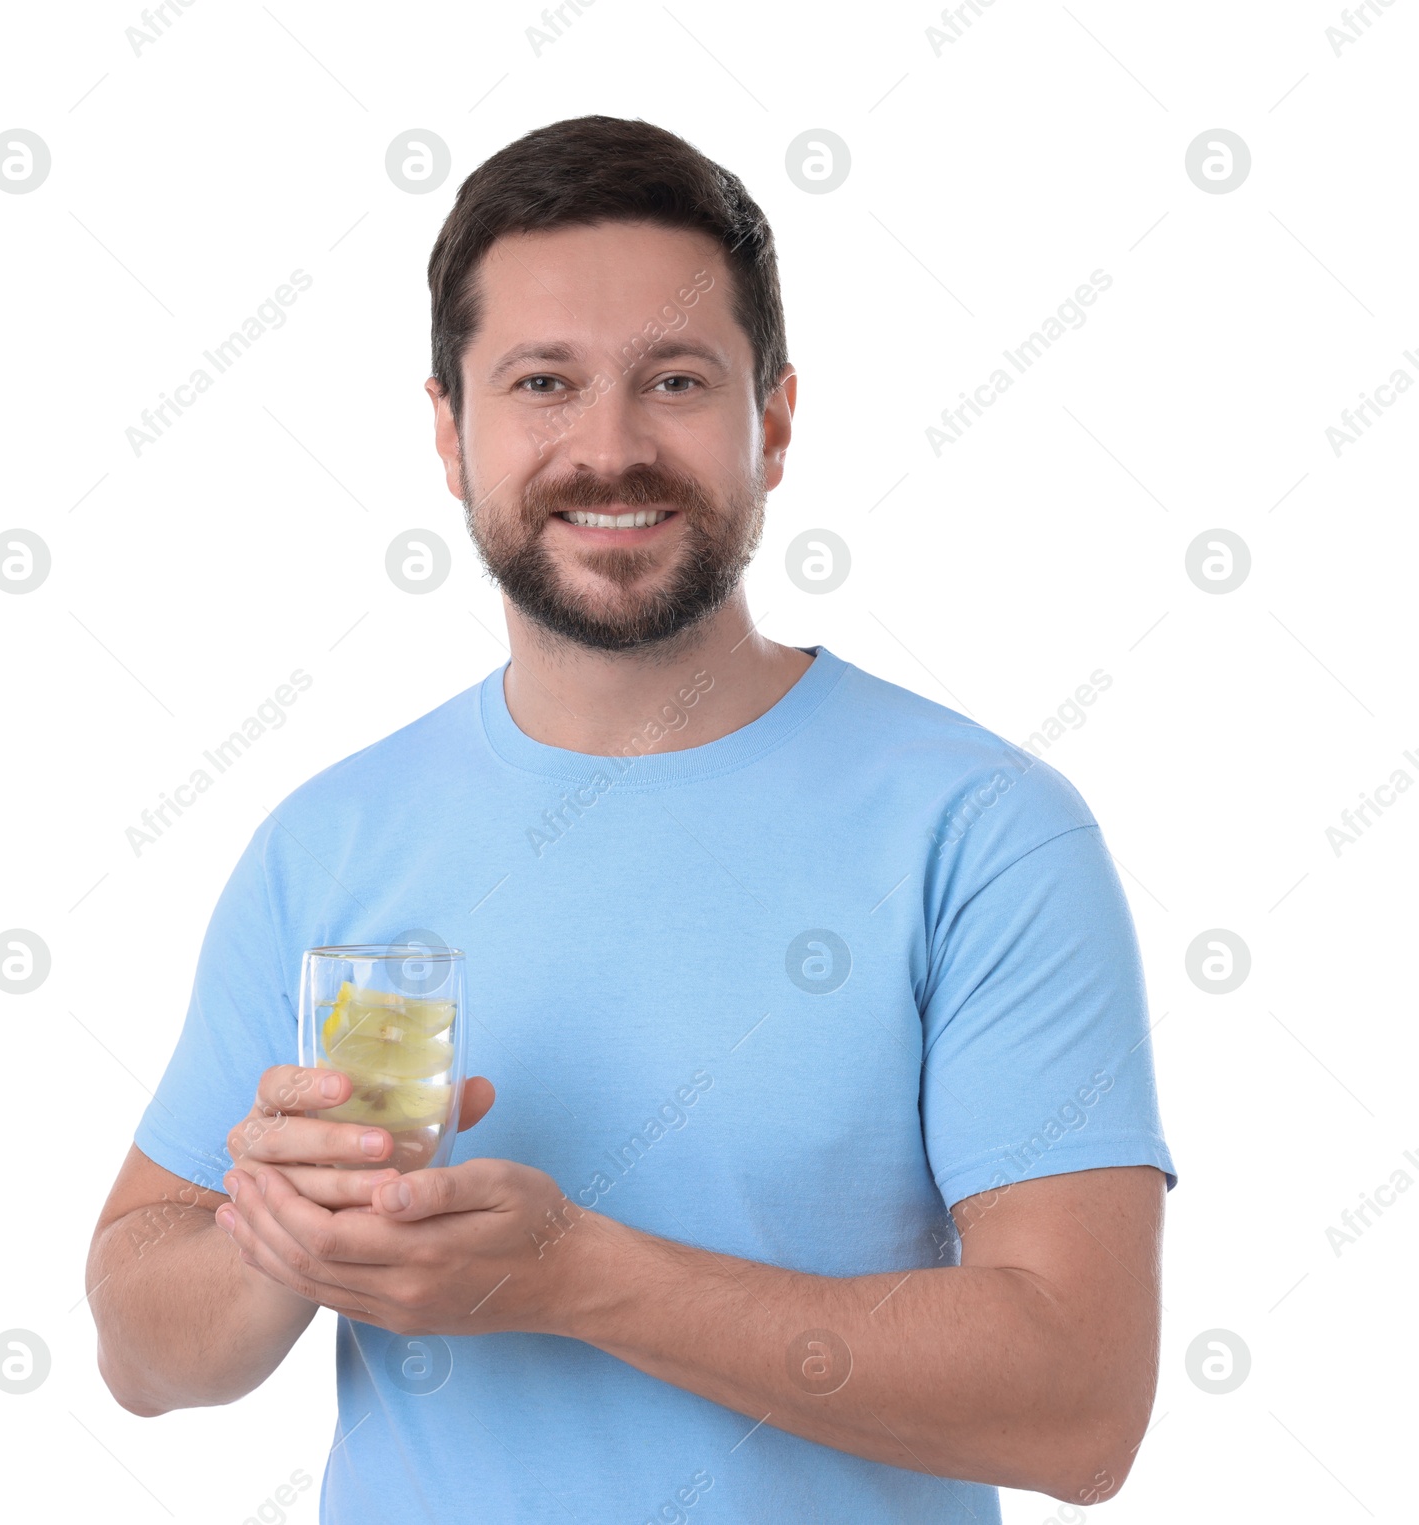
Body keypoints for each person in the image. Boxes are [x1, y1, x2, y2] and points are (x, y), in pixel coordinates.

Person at [87, 115, 1177, 1523]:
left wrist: (576, 1277)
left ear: (772, 420)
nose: (608, 449)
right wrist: (275, 1246)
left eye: (673, 380)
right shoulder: (330, 842)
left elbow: (1082, 1404)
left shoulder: (985, 835)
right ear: (447, 430)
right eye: (543, 382)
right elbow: (138, 1348)